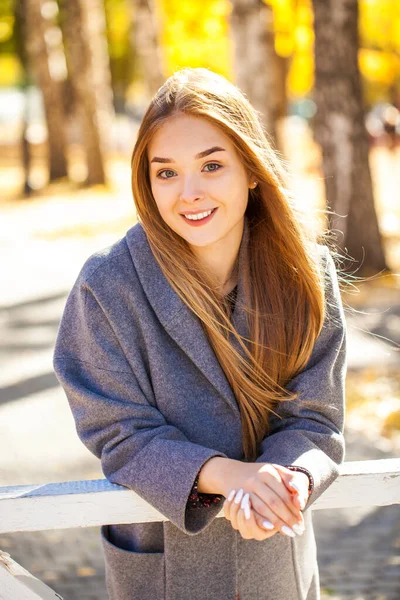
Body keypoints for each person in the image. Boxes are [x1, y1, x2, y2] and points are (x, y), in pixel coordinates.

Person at [53, 67, 347, 600]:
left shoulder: (308, 271)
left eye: (212, 165)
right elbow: (119, 434)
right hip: (166, 570)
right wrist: (233, 477)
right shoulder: (108, 284)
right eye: (166, 173)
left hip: (274, 560)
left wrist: (286, 485)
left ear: (251, 170)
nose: (189, 193)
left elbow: (315, 419)